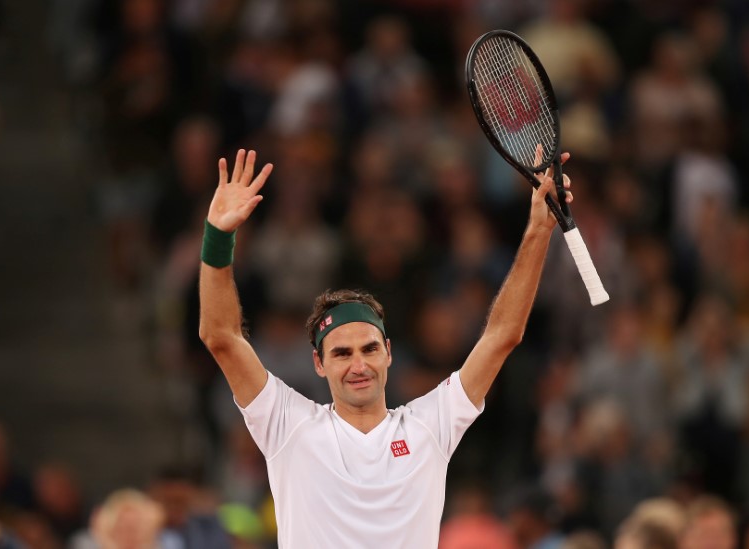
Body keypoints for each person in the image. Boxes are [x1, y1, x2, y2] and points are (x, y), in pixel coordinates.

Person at [198, 148, 574, 547]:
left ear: (388, 353)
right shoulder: (289, 427)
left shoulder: (429, 425)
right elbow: (221, 337)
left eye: (369, 349)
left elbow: (502, 336)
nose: (358, 363)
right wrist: (218, 236)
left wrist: (537, 230)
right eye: (341, 353)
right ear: (318, 364)